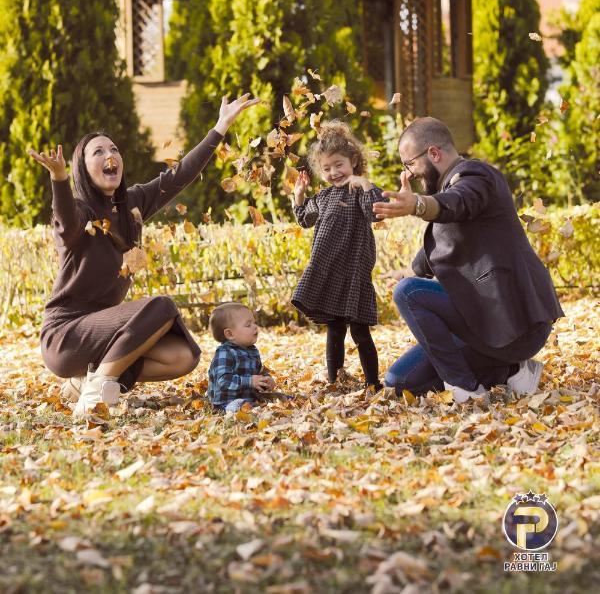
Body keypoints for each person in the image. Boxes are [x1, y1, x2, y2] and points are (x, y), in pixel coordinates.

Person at [28, 93, 259, 417]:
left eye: (114, 149)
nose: (110, 155)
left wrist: (220, 126)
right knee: (161, 306)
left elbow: (179, 176)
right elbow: (66, 223)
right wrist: (59, 179)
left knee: (184, 355)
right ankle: (97, 391)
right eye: (99, 151)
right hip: (65, 336)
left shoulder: (131, 205)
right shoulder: (79, 212)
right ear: (82, 167)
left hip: (105, 337)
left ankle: (86, 382)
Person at [373, 116, 564, 404]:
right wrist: (407, 269)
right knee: (400, 380)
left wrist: (418, 205)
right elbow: (437, 248)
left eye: (409, 163)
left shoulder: (476, 176)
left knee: (408, 292)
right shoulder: (447, 193)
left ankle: (467, 391)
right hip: (484, 322)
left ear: (434, 153)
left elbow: (459, 203)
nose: (409, 174)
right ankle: (511, 370)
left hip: (514, 323)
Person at [291, 120, 387, 391]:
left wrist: (365, 184)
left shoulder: (360, 190)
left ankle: (372, 383)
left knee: (360, 331)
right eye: (326, 168)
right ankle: (335, 379)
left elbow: (374, 212)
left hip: (354, 271)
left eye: (339, 165)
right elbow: (304, 219)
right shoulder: (322, 197)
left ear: (353, 161)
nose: (334, 172)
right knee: (335, 330)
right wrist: (298, 197)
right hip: (329, 270)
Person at [207, 302, 275, 413]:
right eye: (248, 325)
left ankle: (250, 405)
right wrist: (250, 381)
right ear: (230, 334)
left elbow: (258, 372)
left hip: (248, 398)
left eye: (254, 323)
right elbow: (223, 381)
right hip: (225, 401)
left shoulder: (252, 350)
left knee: (277, 398)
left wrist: (265, 380)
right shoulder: (224, 352)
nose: (255, 327)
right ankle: (233, 408)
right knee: (239, 406)